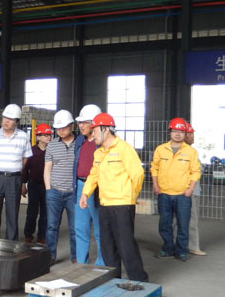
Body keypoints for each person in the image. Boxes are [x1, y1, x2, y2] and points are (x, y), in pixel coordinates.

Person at [80, 113, 148, 281]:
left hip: (122, 205)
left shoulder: (123, 148)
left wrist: (131, 195)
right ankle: (113, 279)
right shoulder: (99, 153)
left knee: (126, 245)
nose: (92, 134)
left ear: (105, 129)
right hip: (105, 204)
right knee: (107, 246)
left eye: (95, 130)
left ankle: (139, 280)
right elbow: (93, 175)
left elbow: (138, 174)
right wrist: (85, 193)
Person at [151, 117, 201, 262]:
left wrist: (190, 189)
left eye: (181, 131)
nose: (177, 134)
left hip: (183, 195)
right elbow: (154, 167)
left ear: (185, 133)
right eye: (174, 131)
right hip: (164, 194)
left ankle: (181, 251)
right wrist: (155, 185)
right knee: (164, 224)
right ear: (170, 132)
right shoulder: (160, 149)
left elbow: (195, 171)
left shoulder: (191, 152)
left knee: (183, 225)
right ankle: (168, 248)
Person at [0, 104, 32, 240]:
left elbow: (26, 157)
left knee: (12, 213)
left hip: (14, 179)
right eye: (5, 117)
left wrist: (14, 168)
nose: (6, 121)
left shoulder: (23, 137)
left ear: (16, 121)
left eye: (10, 119)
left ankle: (11, 244)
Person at [73, 104, 105, 266]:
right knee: (80, 228)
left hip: (97, 189)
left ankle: (102, 265)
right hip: (80, 186)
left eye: (84, 122)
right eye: (79, 122)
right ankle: (81, 264)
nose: (81, 126)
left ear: (94, 123)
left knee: (100, 229)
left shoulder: (103, 143)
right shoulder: (80, 140)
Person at [44, 110, 77, 263]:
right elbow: (47, 168)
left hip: (73, 193)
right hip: (54, 192)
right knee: (52, 226)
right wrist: (48, 189)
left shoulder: (80, 144)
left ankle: (76, 257)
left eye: (64, 127)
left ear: (72, 126)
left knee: (74, 228)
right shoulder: (51, 145)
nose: (61, 130)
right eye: (58, 128)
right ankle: (50, 256)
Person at [22, 123, 51, 244]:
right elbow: (25, 168)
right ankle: (28, 234)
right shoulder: (31, 151)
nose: (48, 137)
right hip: (34, 184)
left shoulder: (51, 151)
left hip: (47, 186)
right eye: (45, 135)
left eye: (49, 135)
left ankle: (42, 236)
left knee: (45, 212)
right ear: (38, 137)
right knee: (32, 212)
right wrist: (23, 184)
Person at [184, 123, 206, 256]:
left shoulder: (192, 151)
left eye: (192, 134)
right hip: (187, 190)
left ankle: (188, 245)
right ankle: (191, 246)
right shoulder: (184, 152)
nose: (192, 137)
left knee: (190, 218)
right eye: (189, 134)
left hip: (194, 190)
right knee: (190, 218)